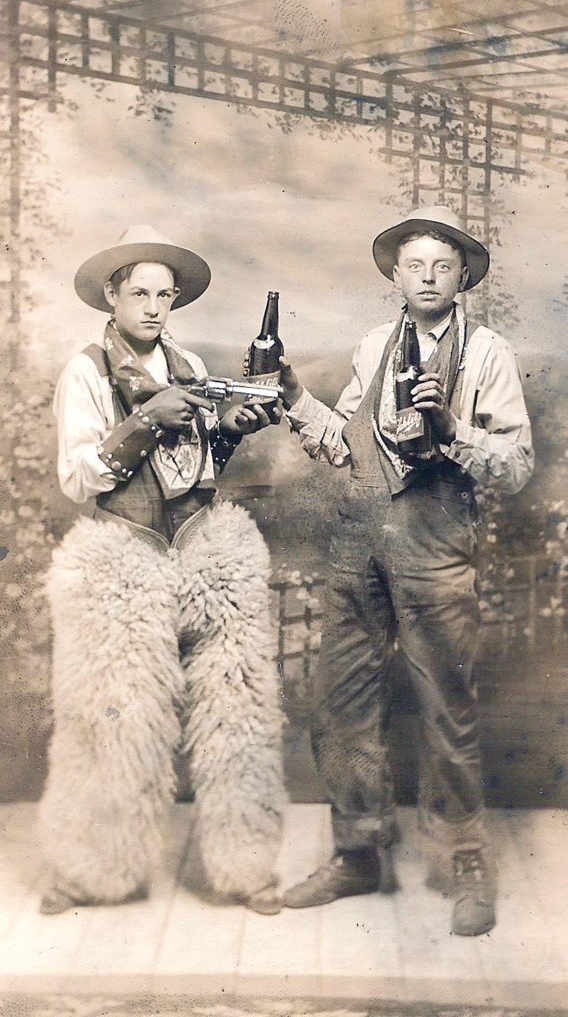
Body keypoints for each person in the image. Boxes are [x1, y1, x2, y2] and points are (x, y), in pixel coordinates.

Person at [279, 205, 534, 936]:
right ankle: (358, 856)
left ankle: (462, 863)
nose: (427, 276)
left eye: (442, 266)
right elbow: (348, 445)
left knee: (446, 710)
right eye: (415, 264)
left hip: (435, 545)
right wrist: (294, 395)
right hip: (358, 546)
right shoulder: (372, 347)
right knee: (342, 707)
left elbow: (516, 467)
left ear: (463, 279)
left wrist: (453, 431)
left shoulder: (486, 353)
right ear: (395, 273)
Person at [39, 225, 286, 917]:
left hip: (206, 550)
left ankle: (246, 868)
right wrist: (145, 418)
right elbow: (79, 478)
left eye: (163, 294)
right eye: (138, 292)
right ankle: (93, 871)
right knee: (112, 722)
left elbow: (199, 471)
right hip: (125, 557)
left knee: (238, 712)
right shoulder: (86, 369)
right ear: (112, 296)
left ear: (174, 300)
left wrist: (231, 428)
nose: (152, 307)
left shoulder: (187, 361)